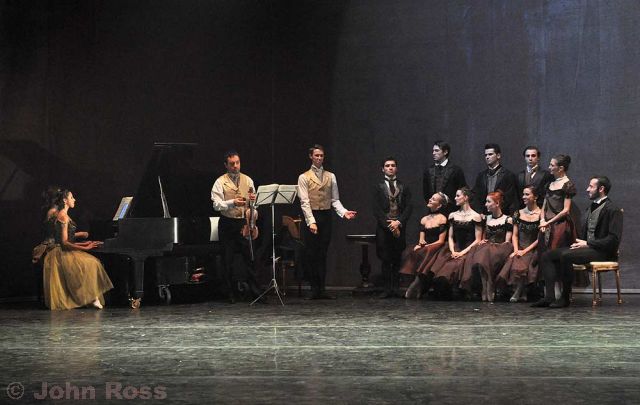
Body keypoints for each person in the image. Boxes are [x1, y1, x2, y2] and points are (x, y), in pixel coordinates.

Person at [533, 176, 622, 308]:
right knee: (547, 255)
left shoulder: (612, 209)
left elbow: (613, 240)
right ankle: (549, 297)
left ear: (601, 189)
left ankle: (565, 298)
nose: (587, 189)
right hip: (588, 249)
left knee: (566, 256)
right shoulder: (591, 207)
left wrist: (588, 244)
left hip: (603, 252)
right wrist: (581, 243)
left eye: (591, 187)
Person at [298, 144, 357, 299]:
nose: (319, 158)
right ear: (311, 156)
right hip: (312, 216)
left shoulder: (330, 176)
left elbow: (335, 199)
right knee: (312, 253)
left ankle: (322, 289)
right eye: (316, 155)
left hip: (325, 216)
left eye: (321, 155)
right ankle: (314, 289)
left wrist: (344, 212)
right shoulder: (304, 177)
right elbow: (304, 202)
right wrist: (311, 221)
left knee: (323, 253)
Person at [43, 189, 113, 310]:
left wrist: (84, 241)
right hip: (61, 252)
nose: (74, 200)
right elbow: (64, 243)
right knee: (92, 263)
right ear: (65, 200)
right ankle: (91, 297)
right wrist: (86, 247)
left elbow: (66, 238)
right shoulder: (63, 216)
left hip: (64, 250)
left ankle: (91, 297)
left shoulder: (63, 214)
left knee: (92, 263)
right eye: (71, 197)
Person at [211, 150, 261, 303]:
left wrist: (253, 201)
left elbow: (254, 205)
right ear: (226, 165)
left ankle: (255, 292)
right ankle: (229, 293)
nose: (235, 166)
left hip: (243, 222)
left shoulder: (248, 180)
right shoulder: (220, 181)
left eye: (237, 163)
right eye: (232, 164)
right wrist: (232, 202)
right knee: (227, 260)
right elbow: (216, 205)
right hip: (227, 223)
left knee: (250, 258)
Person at [429, 187, 483, 298]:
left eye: (458, 196)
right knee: (444, 267)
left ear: (466, 197)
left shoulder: (476, 216)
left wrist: (462, 253)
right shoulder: (453, 215)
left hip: (469, 249)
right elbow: (450, 237)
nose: (455, 198)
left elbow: (478, 239)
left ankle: (460, 290)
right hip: (455, 247)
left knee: (459, 264)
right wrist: (453, 250)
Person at [461, 191, 513, 302]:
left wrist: (493, 245)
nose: (486, 204)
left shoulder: (507, 219)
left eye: (488, 202)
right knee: (481, 253)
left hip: (501, 248)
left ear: (497, 203)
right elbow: (483, 236)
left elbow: (507, 242)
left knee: (486, 253)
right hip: (487, 247)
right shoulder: (486, 218)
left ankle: (489, 285)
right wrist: (484, 241)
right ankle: (485, 285)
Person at [373, 157, 412, 298]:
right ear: (382, 169)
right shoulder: (378, 187)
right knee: (385, 258)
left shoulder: (403, 186)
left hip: (399, 226)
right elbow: (376, 209)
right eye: (387, 165)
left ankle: (396, 288)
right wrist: (388, 224)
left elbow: (409, 207)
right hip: (384, 228)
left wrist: (399, 222)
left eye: (393, 165)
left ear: (396, 168)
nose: (390, 168)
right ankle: (386, 289)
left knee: (397, 257)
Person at [496, 186, 541, 302]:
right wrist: (516, 250)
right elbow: (515, 235)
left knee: (526, 263)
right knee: (516, 262)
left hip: (533, 248)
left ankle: (519, 291)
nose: (523, 197)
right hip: (519, 247)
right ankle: (522, 291)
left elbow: (539, 238)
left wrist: (525, 251)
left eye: (527, 194)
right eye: (523, 194)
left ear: (535, 197)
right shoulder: (518, 213)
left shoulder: (541, 214)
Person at [401, 192, 448, 299]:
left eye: (434, 199)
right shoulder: (424, 219)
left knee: (428, 251)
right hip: (427, 247)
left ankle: (416, 284)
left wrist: (427, 246)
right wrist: (420, 243)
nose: (430, 199)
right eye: (431, 198)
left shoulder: (442, 219)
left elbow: (440, 241)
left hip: (437, 247)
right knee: (413, 251)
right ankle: (418, 284)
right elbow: (422, 238)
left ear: (439, 205)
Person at [472, 143, 519, 215]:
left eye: (490, 154)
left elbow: (511, 198)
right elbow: (476, 197)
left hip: (502, 214)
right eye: (485, 155)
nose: (487, 157)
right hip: (484, 215)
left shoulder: (508, 175)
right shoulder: (481, 176)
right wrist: (479, 212)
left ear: (498, 155)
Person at [422, 140, 467, 215]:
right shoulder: (428, 171)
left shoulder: (456, 170)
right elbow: (426, 192)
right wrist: (433, 205)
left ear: (445, 152)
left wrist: (450, 202)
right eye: (433, 151)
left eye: (437, 151)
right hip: (433, 212)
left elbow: (462, 190)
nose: (433, 153)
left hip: (451, 211)